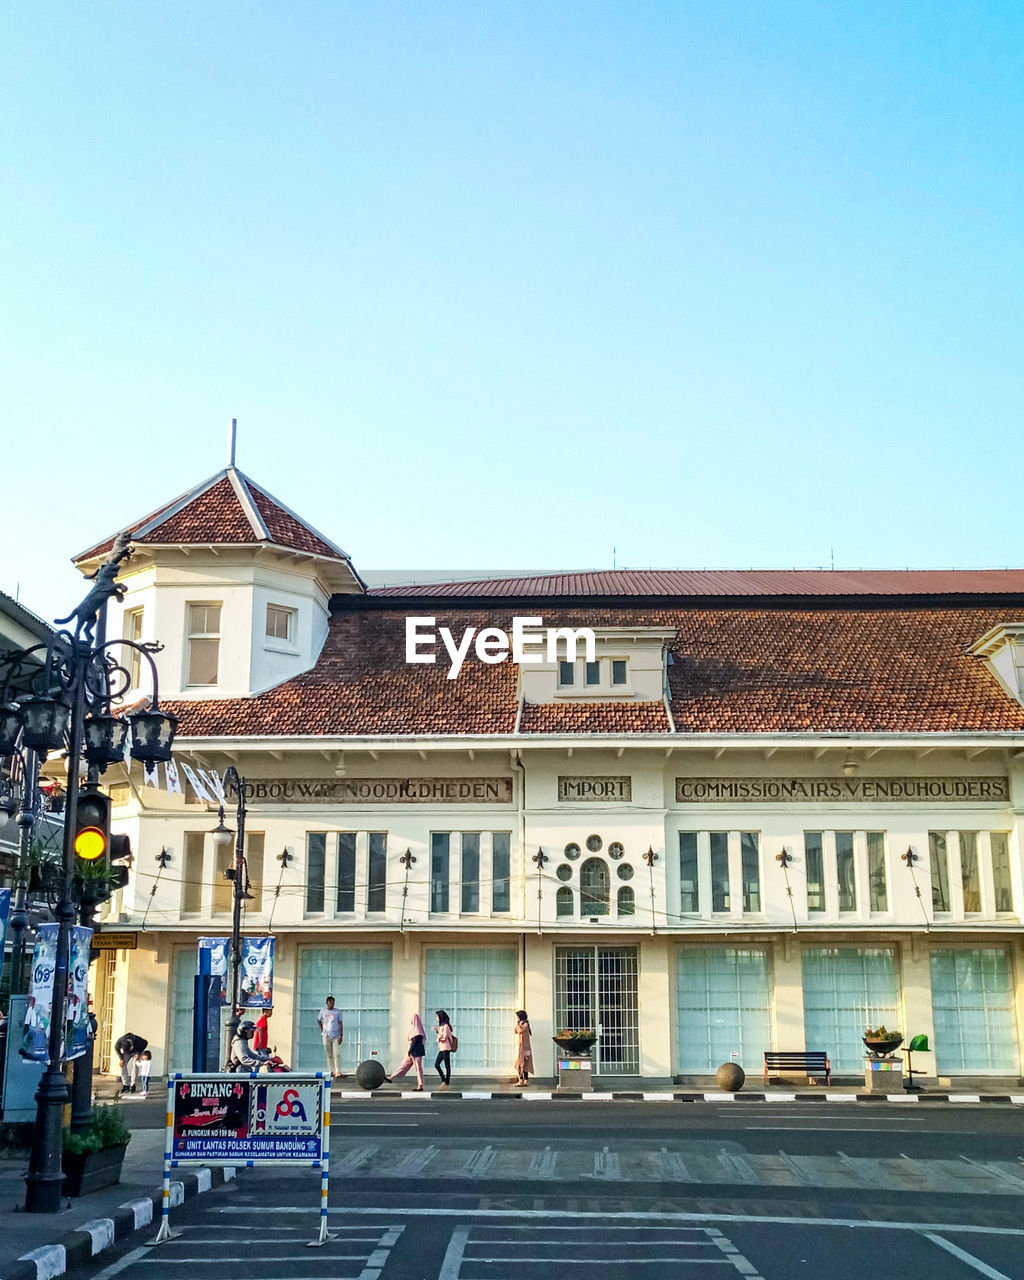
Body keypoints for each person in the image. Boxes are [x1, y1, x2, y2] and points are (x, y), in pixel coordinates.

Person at [387, 1013, 427, 1090]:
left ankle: (420, 1085)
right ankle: (391, 1077)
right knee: (403, 1065)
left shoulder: (417, 1030)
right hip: (412, 1052)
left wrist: (410, 1051)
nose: (410, 1021)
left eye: (411, 1019)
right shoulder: (415, 1029)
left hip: (416, 1053)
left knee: (418, 1068)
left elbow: (414, 1042)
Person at [318, 996, 344, 1078]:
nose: (331, 1004)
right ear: (327, 1003)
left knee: (336, 1054)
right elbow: (319, 1020)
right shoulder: (323, 1011)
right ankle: (331, 1071)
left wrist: (341, 1035)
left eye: (333, 1003)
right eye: (330, 1003)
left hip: (336, 1035)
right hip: (326, 1035)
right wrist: (322, 1030)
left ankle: (337, 1071)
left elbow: (340, 1023)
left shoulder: (338, 1012)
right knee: (329, 1054)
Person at [433, 1009, 454, 1089]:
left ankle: (446, 1082)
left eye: (437, 1016)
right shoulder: (442, 1026)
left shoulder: (445, 1026)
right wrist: (437, 1032)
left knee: (447, 1066)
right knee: (437, 1064)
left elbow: (444, 1037)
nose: (436, 1018)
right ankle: (444, 1080)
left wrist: (438, 1038)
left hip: (446, 1048)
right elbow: (442, 1035)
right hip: (442, 1048)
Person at [514, 1010, 533, 1087]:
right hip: (522, 1048)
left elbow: (520, 1031)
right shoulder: (522, 1024)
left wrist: (519, 1024)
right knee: (522, 1065)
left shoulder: (525, 1024)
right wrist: (518, 1024)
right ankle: (523, 1081)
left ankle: (522, 1081)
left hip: (525, 1048)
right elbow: (515, 1031)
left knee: (522, 1065)